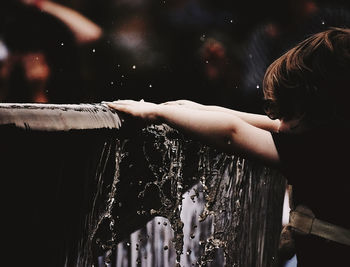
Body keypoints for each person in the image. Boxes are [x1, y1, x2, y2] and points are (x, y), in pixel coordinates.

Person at [107, 27, 350, 266]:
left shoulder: (318, 153)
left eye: (289, 114)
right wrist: (195, 109)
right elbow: (260, 123)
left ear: (321, 109)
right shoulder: (332, 141)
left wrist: (158, 113)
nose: (281, 124)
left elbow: (231, 132)